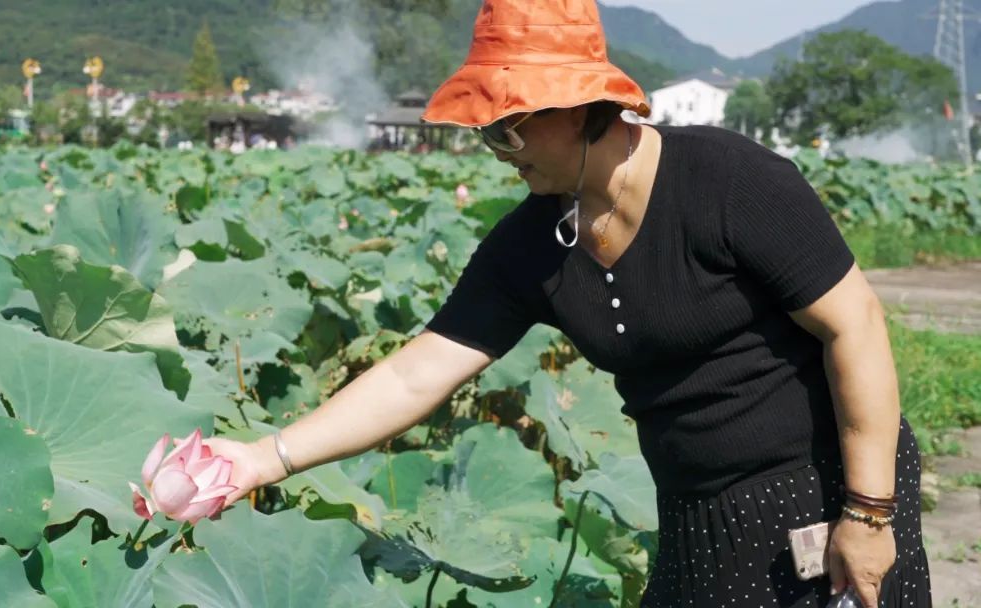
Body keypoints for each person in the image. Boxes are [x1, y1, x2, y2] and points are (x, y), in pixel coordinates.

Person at [204, 1, 931, 606]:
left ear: (584, 108)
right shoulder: (531, 243)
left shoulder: (732, 182)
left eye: (509, 124)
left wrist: (867, 515)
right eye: (485, 130)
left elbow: (855, 326)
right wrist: (262, 460)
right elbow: (414, 375)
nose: (497, 146)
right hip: (694, 511)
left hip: (822, 488)